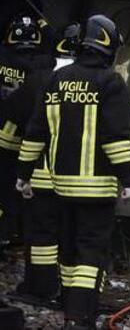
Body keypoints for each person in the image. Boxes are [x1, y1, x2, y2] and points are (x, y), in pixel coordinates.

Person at [16, 14, 130, 329]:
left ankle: (69, 307)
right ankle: (80, 316)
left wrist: (24, 173)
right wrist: (129, 180)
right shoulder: (110, 82)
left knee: (68, 248)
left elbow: (36, 131)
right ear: (108, 45)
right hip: (96, 190)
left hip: (60, 187)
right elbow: (115, 137)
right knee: (90, 252)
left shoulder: (58, 79)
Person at [0, 15, 50, 257]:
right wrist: (43, 23)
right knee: (10, 193)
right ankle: (5, 234)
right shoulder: (39, 70)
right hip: (20, 145)